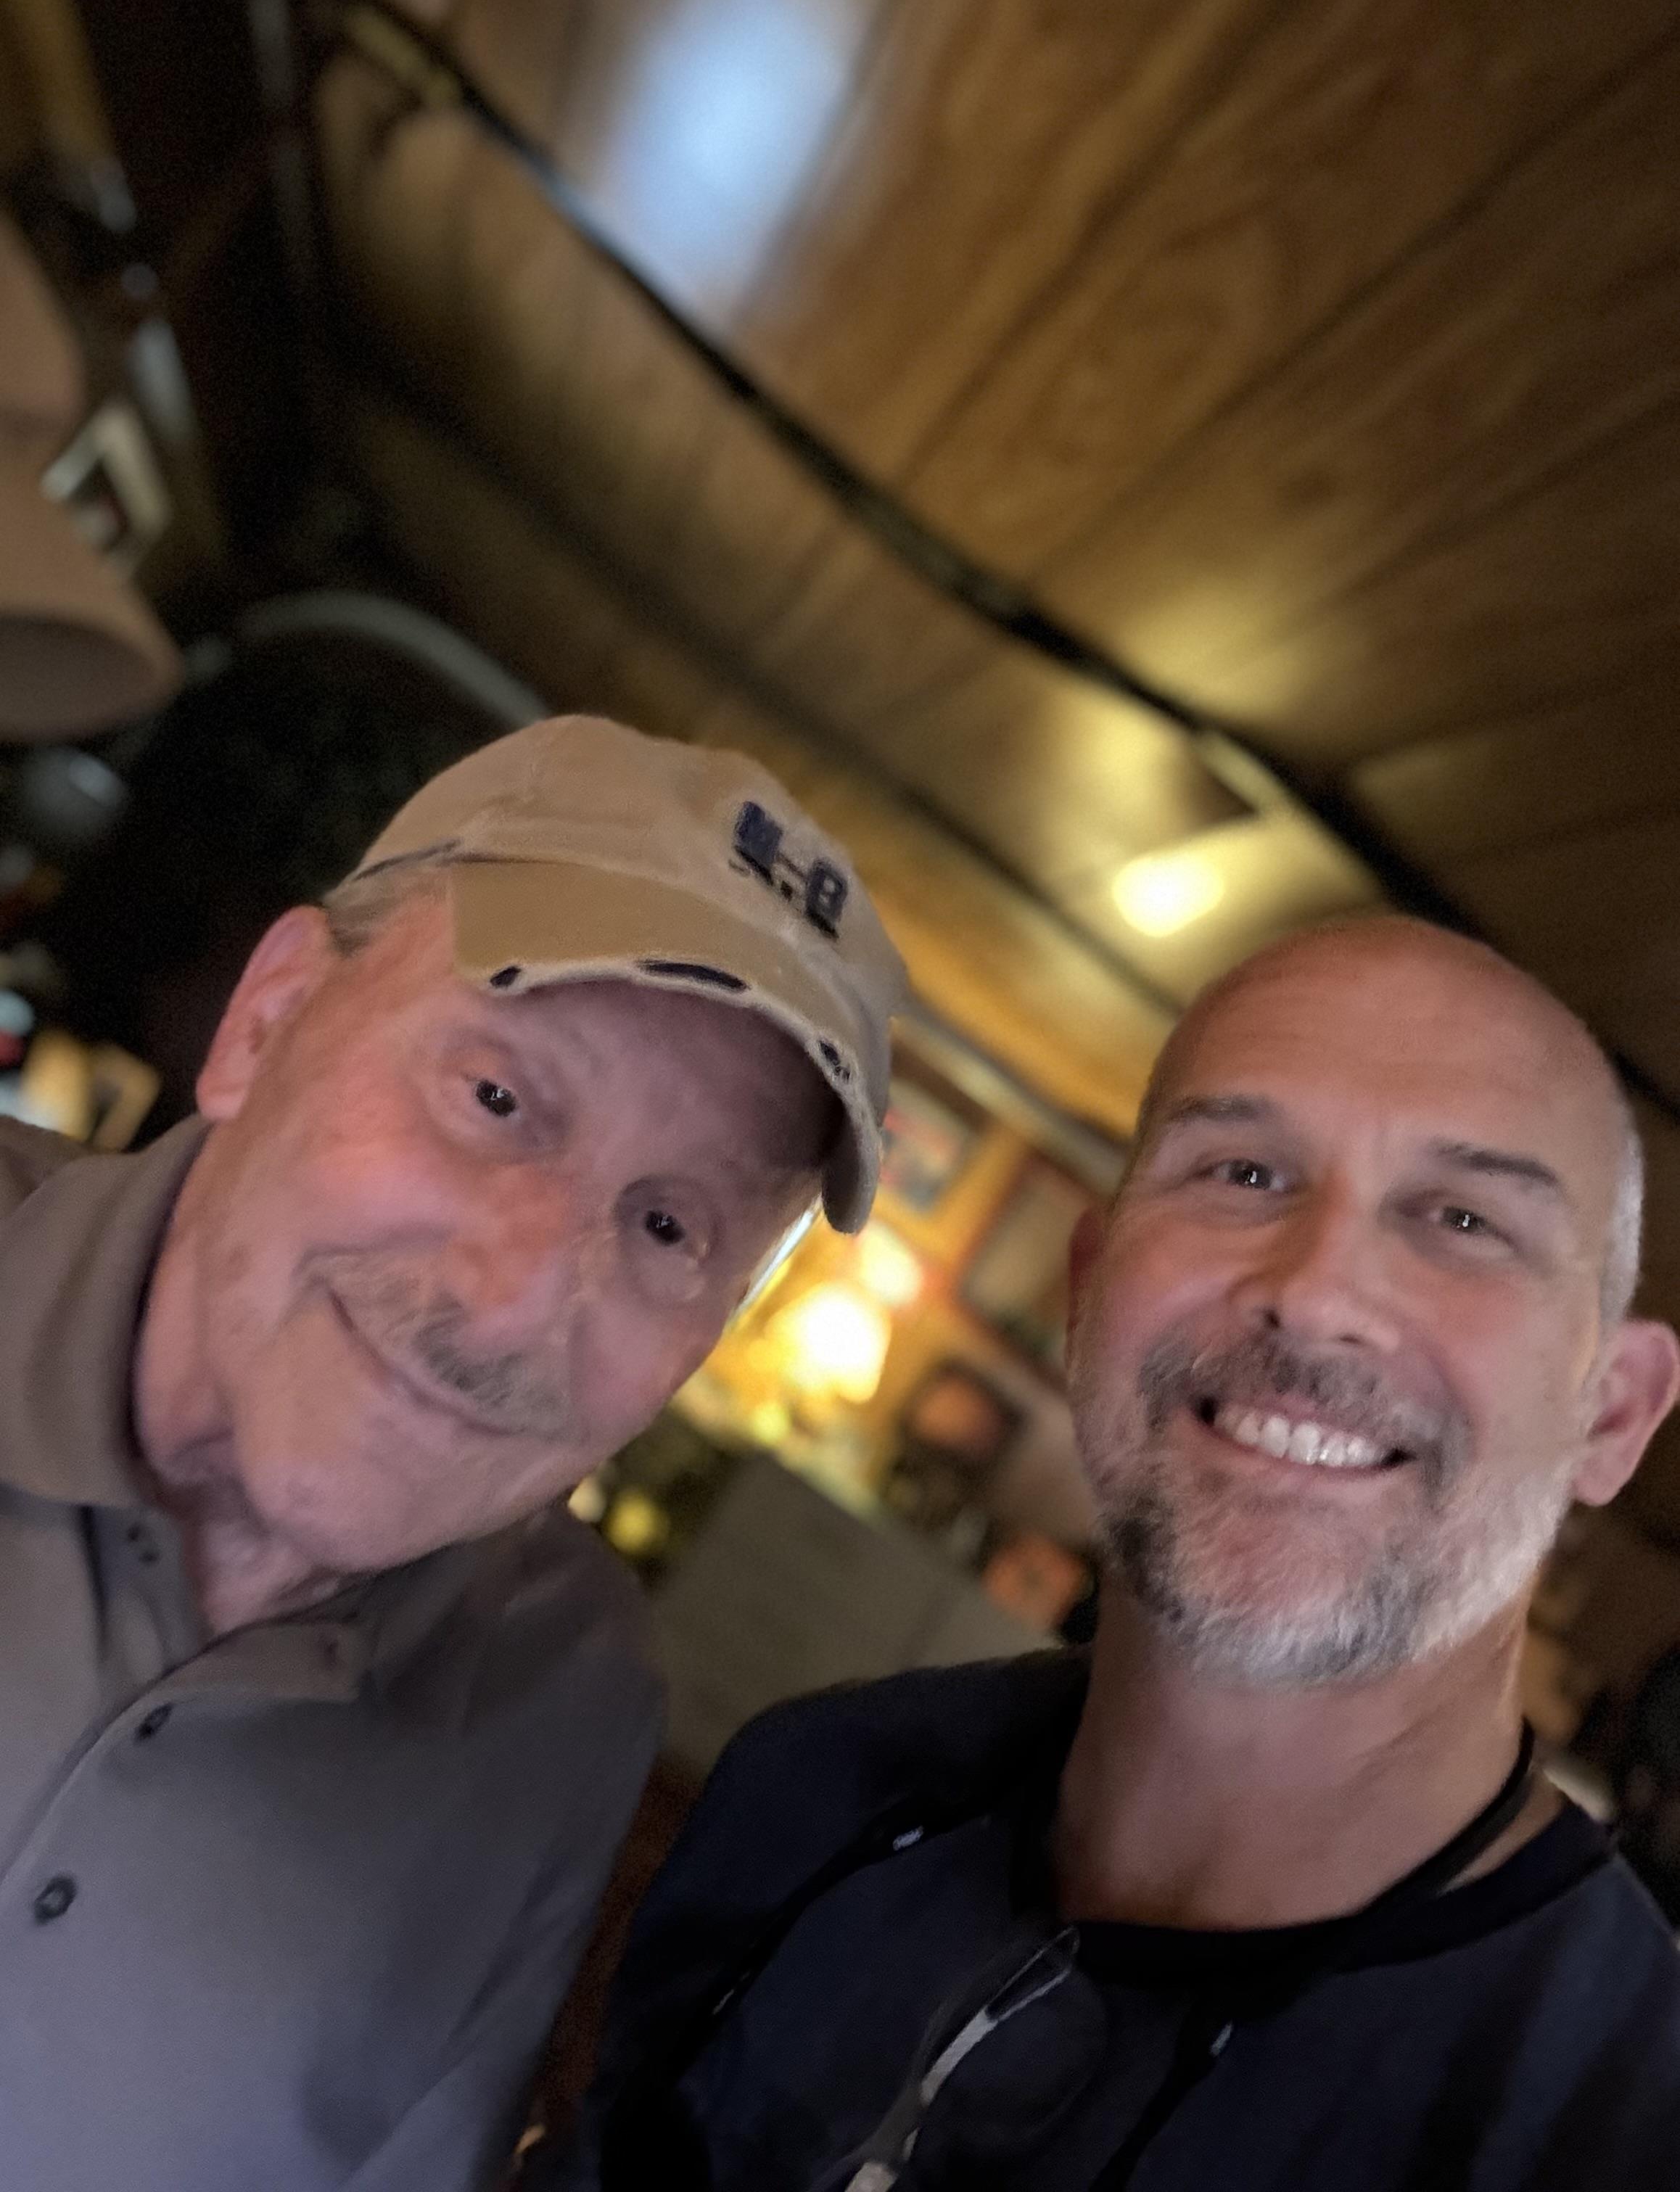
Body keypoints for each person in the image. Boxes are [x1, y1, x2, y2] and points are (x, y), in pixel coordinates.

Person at [549, 915, 1680, 2192]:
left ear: (1617, 1412)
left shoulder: (1627, 2117)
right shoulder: (819, 1786)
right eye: (1242, 1172)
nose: (1316, 1290)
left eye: (1464, 1219)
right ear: (1089, 1290)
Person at [0, 712, 904, 2192]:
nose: (516, 1293)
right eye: (495, 1097)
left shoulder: (567, 1687)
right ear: (269, 1017)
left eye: (669, 1225)